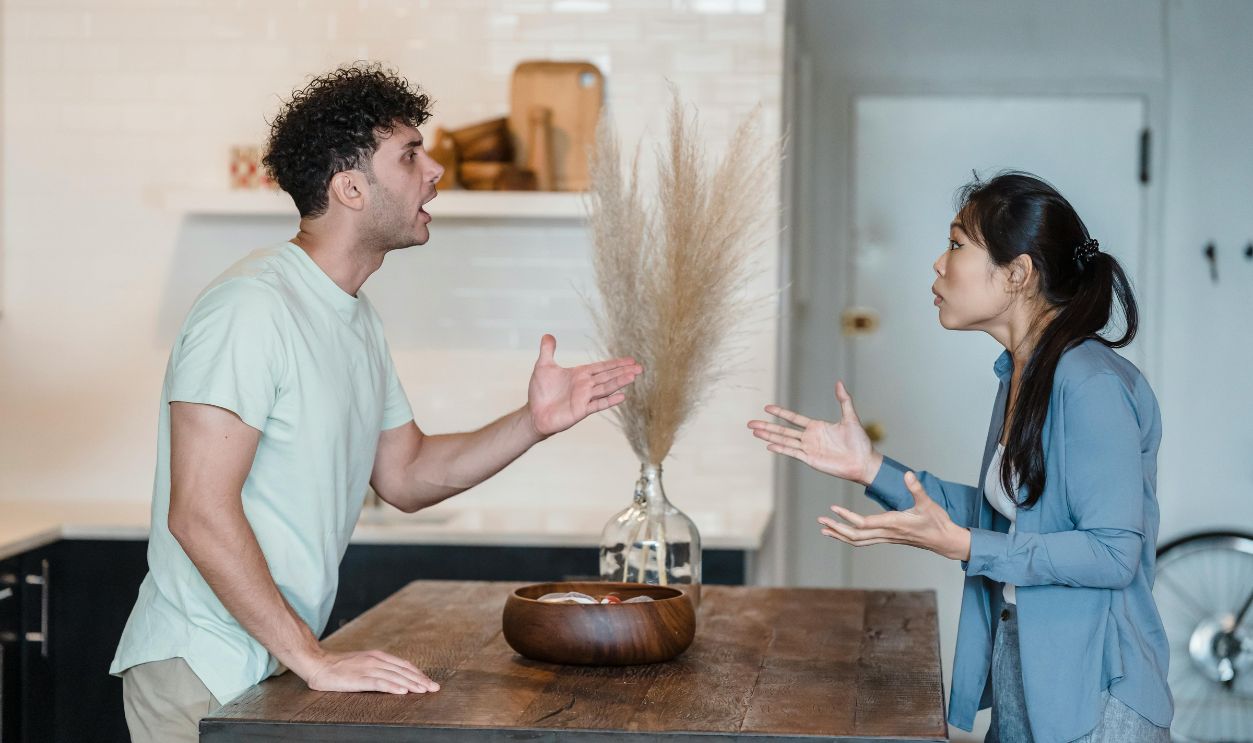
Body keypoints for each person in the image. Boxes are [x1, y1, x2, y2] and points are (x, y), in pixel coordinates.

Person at [110, 63, 643, 743]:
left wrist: (532, 423)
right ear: (351, 188)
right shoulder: (250, 308)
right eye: (411, 155)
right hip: (202, 666)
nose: (436, 171)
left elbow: (407, 474)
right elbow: (198, 510)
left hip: (273, 661)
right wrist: (314, 656)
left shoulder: (354, 318)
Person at [748, 172, 1171, 742]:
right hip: (1027, 663)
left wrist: (967, 546)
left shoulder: (1089, 382)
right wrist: (869, 467)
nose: (938, 265)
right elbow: (1009, 521)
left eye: (955, 245)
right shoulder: (1021, 373)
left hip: (1097, 688)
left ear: (1018, 274)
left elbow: (1113, 552)